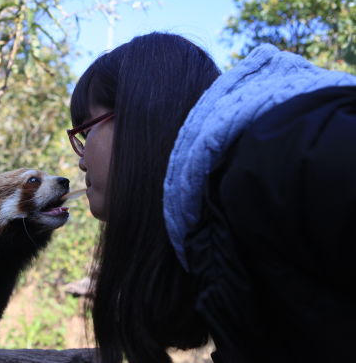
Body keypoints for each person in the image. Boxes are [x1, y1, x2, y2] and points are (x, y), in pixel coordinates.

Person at [66, 32, 356, 363]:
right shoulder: (216, 222)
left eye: (86, 132)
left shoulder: (278, 158)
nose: (81, 158)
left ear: (138, 117)